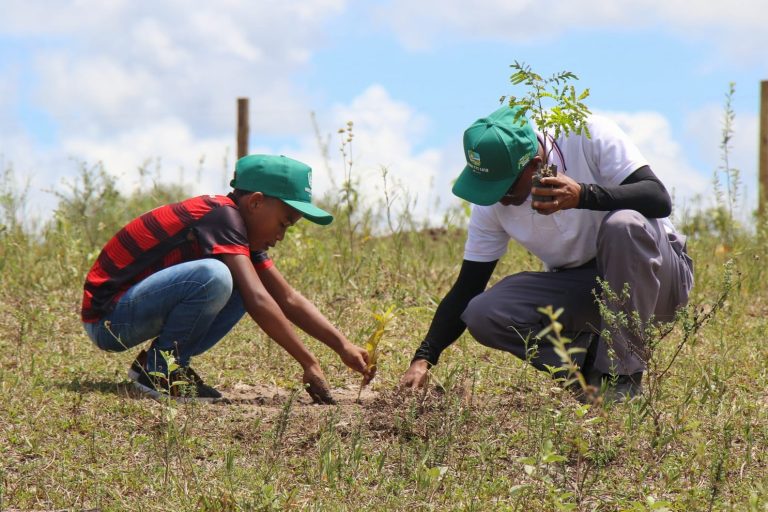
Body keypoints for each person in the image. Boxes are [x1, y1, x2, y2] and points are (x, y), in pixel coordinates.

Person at [400, 106, 694, 403]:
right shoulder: (491, 204)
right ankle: (586, 374)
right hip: (586, 290)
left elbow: (658, 198)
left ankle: (622, 378)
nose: (498, 197)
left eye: (505, 187)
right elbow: (467, 288)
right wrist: (424, 357)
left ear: (535, 164)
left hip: (658, 280)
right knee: (484, 312)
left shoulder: (586, 133)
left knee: (624, 225)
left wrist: (583, 195)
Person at [82, 154, 373, 403]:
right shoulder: (222, 216)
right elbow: (259, 300)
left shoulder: (240, 236)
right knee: (216, 276)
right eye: (283, 223)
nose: (281, 236)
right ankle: (162, 369)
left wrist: (342, 345)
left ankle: (157, 364)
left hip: (129, 312)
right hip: (108, 320)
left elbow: (287, 298)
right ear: (256, 202)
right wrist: (308, 362)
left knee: (240, 284)